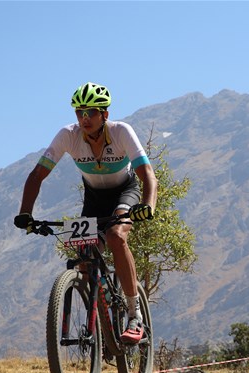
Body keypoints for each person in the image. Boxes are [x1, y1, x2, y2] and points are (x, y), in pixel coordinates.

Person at [14, 82, 157, 343]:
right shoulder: (68, 135)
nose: (84, 118)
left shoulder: (122, 131)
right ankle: (102, 319)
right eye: (79, 112)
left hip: (124, 192)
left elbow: (147, 174)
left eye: (90, 112)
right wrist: (25, 214)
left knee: (115, 236)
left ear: (105, 114)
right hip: (93, 198)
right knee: (84, 257)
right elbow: (37, 175)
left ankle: (134, 314)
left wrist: (147, 206)